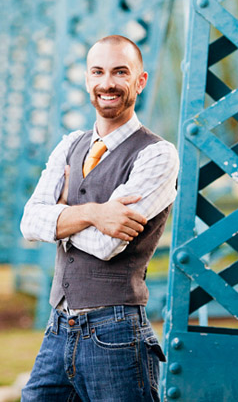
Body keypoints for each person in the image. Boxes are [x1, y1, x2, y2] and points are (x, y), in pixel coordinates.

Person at [20, 34, 179, 401]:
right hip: (59, 327)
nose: (107, 83)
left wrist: (58, 217)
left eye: (120, 72)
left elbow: (108, 244)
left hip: (116, 334)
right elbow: (29, 221)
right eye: (98, 72)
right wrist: (94, 212)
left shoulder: (156, 155)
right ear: (88, 79)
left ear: (140, 80)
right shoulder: (70, 144)